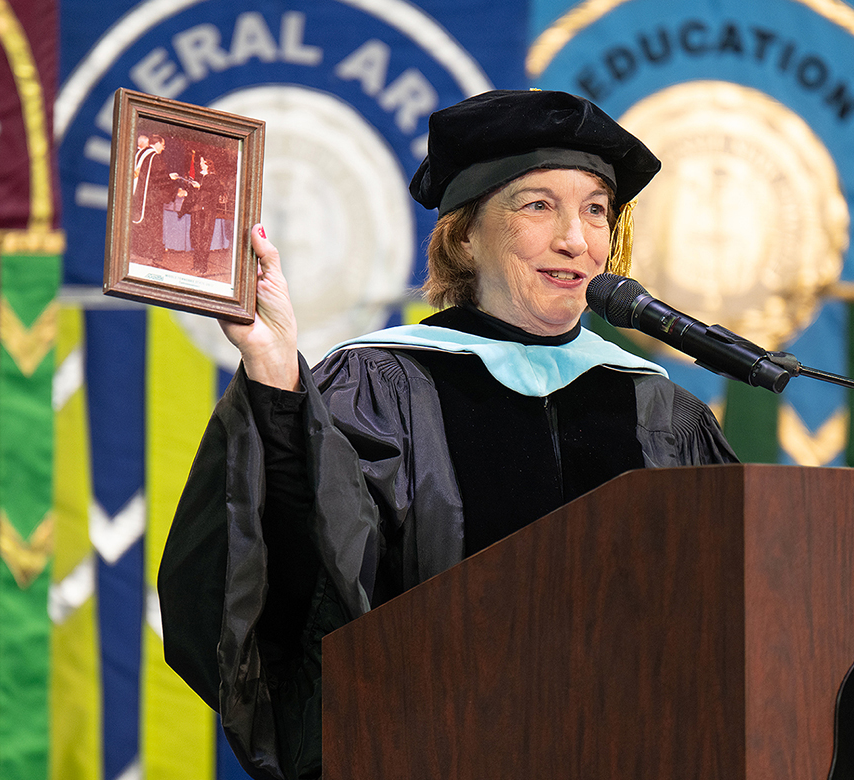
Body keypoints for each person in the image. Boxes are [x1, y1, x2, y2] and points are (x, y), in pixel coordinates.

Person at [157, 89, 737, 780]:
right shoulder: (380, 387)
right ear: (464, 234)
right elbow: (301, 587)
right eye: (538, 205)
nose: (576, 240)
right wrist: (277, 371)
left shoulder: (661, 411)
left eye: (595, 210)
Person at [131, 134, 179, 263]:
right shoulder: (155, 157)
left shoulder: (141, 154)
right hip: (151, 201)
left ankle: (138, 250)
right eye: (163, 145)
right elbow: (161, 181)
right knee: (153, 228)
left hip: (139, 197)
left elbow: (150, 177)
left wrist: (167, 176)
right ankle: (151, 254)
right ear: (157, 144)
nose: (163, 148)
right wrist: (171, 180)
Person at [177, 155, 226, 274]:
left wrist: (201, 187)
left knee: (205, 239)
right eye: (200, 161)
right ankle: (196, 264)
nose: (200, 163)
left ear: (208, 163)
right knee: (196, 238)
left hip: (207, 213)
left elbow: (214, 191)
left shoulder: (214, 178)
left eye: (202, 161)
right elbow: (194, 194)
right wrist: (186, 193)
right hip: (197, 211)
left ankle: (203, 266)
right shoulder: (200, 177)